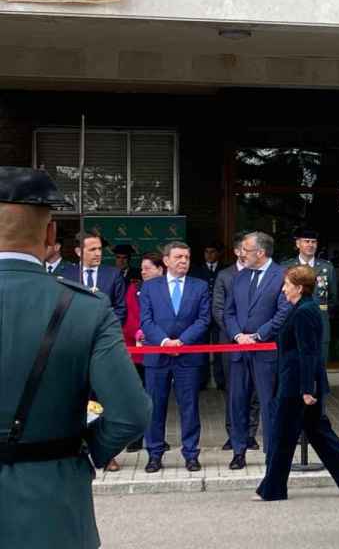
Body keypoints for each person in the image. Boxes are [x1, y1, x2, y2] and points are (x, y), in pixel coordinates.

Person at [0, 166, 150, 549]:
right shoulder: (84, 308)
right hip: (54, 508)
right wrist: (81, 455)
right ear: (51, 235)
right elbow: (131, 413)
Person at [255, 265, 339, 501]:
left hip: (297, 386)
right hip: (301, 383)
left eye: (286, 285)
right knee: (318, 431)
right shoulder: (303, 308)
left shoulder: (305, 311)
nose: (283, 289)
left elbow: (308, 353)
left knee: (282, 436)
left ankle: (272, 489)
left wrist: (307, 389)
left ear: (299, 287)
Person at [138, 242, 211, 473]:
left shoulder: (199, 286)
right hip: (157, 355)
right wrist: (164, 342)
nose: (183, 261)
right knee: (155, 406)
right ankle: (155, 454)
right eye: (178, 257)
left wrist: (182, 341)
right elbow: (146, 321)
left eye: (187, 257)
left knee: (189, 406)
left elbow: (203, 319)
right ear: (166, 260)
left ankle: (191, 453)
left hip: (187, 355)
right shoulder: (150, 287)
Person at [225, 231, 291, 469]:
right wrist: (237, 335)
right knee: (237, 402)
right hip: (240, 350)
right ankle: (239, 451)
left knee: (268, 403)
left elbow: (283, 312)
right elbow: (228, 311)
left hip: (266, 350)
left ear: (260, 253)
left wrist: (258, 335)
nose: (241, 254)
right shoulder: (240, 277)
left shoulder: (282, 275)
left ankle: (272, 453)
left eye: (246, 250)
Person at [213, 233, 260, 452]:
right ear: (236, 251)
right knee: (233, 390)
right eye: (243, 249)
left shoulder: (259, 274)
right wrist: (236, 334)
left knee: (254, 390)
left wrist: (253, 335)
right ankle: (233, 434)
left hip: (256, 340)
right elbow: (218, 310)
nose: (246, 253)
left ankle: (250, 434)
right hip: (231, 341)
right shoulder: (225, 275)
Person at [121, 252, 166, 453]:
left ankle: (156, 439)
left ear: (160, 269)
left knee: (157, 398)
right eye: (142, 268)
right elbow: (129, 316)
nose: (143, 272)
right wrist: (139, 332)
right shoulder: (135, 288)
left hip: (160, 349)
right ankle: (136, 439)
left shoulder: (168, 287)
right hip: (137, 352)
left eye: (148, 268)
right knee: (137, 398)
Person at [282, 228, 337, 361]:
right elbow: (282, 296)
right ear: (298, 244)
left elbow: (333, 298)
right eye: (306, 241)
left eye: (314, 242)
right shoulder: (287, 267)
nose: (310, 245)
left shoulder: (327, 268)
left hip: (320, 320)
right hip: (293, 320)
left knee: (319, 366)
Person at [61, 231, 127, 325]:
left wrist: (108, 331)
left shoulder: (113, 274)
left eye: (100, 249)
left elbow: (120, 309)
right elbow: (62, 309)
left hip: (105, 334)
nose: (98, 253)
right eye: (92, 249)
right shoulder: (66, 275)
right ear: (79, 252)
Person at [191, 241, 226, 390]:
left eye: (212, 251)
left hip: (219, 315)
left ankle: (221, 380)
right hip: (202, 315)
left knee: (220, 349)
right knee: (201, 348)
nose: (209, 255)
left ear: (218, 253)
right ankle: (201, 380)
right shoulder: (196, 271)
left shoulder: (225, 270)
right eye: (206, 252)